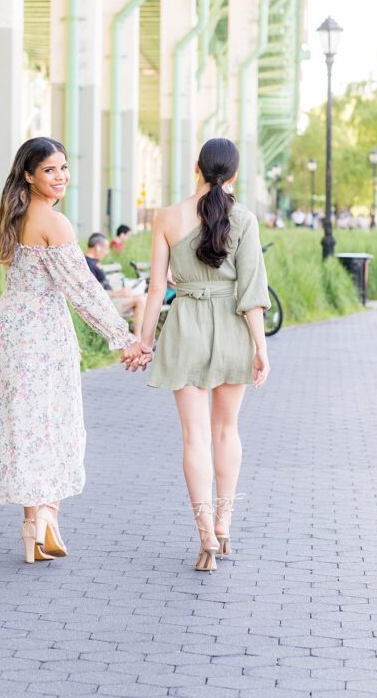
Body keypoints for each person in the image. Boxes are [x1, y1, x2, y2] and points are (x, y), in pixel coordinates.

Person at [0, 137, 143, 565]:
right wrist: (124, 337)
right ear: (29, 175)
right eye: (50, 170)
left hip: (10, 329)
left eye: (64, 168)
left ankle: (31, 525)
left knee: (26, 425)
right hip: (40, 333)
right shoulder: (54, 223)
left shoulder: (11, 217)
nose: (61, 177)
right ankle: (48, 518)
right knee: (52, 423)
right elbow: (85, 292)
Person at [123, 138, 271, 572]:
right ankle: (224, 522)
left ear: (196, 168)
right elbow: (252, 292)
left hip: (185, 325)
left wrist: (145, 341)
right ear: (235, 174)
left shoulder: (166, 217)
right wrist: (260, 348)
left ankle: (205, 534)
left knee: (194, 438)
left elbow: (155, 289)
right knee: (226, 430)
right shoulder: (244, 218)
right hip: (231, 327)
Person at [85, 232, 147, 335]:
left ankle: (143, 338)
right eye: (105, 249)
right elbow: (92, 292)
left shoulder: (94, 262)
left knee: (146, 297)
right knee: (140, 300)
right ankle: (138, 339)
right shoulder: (87, 264)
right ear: (97, 247)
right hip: (104, 305)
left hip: (111, 300)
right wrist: (117, 293)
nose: (107, 252)